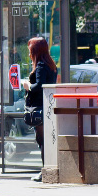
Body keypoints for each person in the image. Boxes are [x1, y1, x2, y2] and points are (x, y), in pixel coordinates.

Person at [23, 36, 58, 180]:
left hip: (40, 107)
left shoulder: (41, 66)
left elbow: (39, 85)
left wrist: (27, 86)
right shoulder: (50, 65)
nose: (29, 53)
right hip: (48, 106)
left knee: (42, 140)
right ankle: (47, 169)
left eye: (30, 50)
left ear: (35, 51)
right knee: (45, 140)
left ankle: (45, 171)